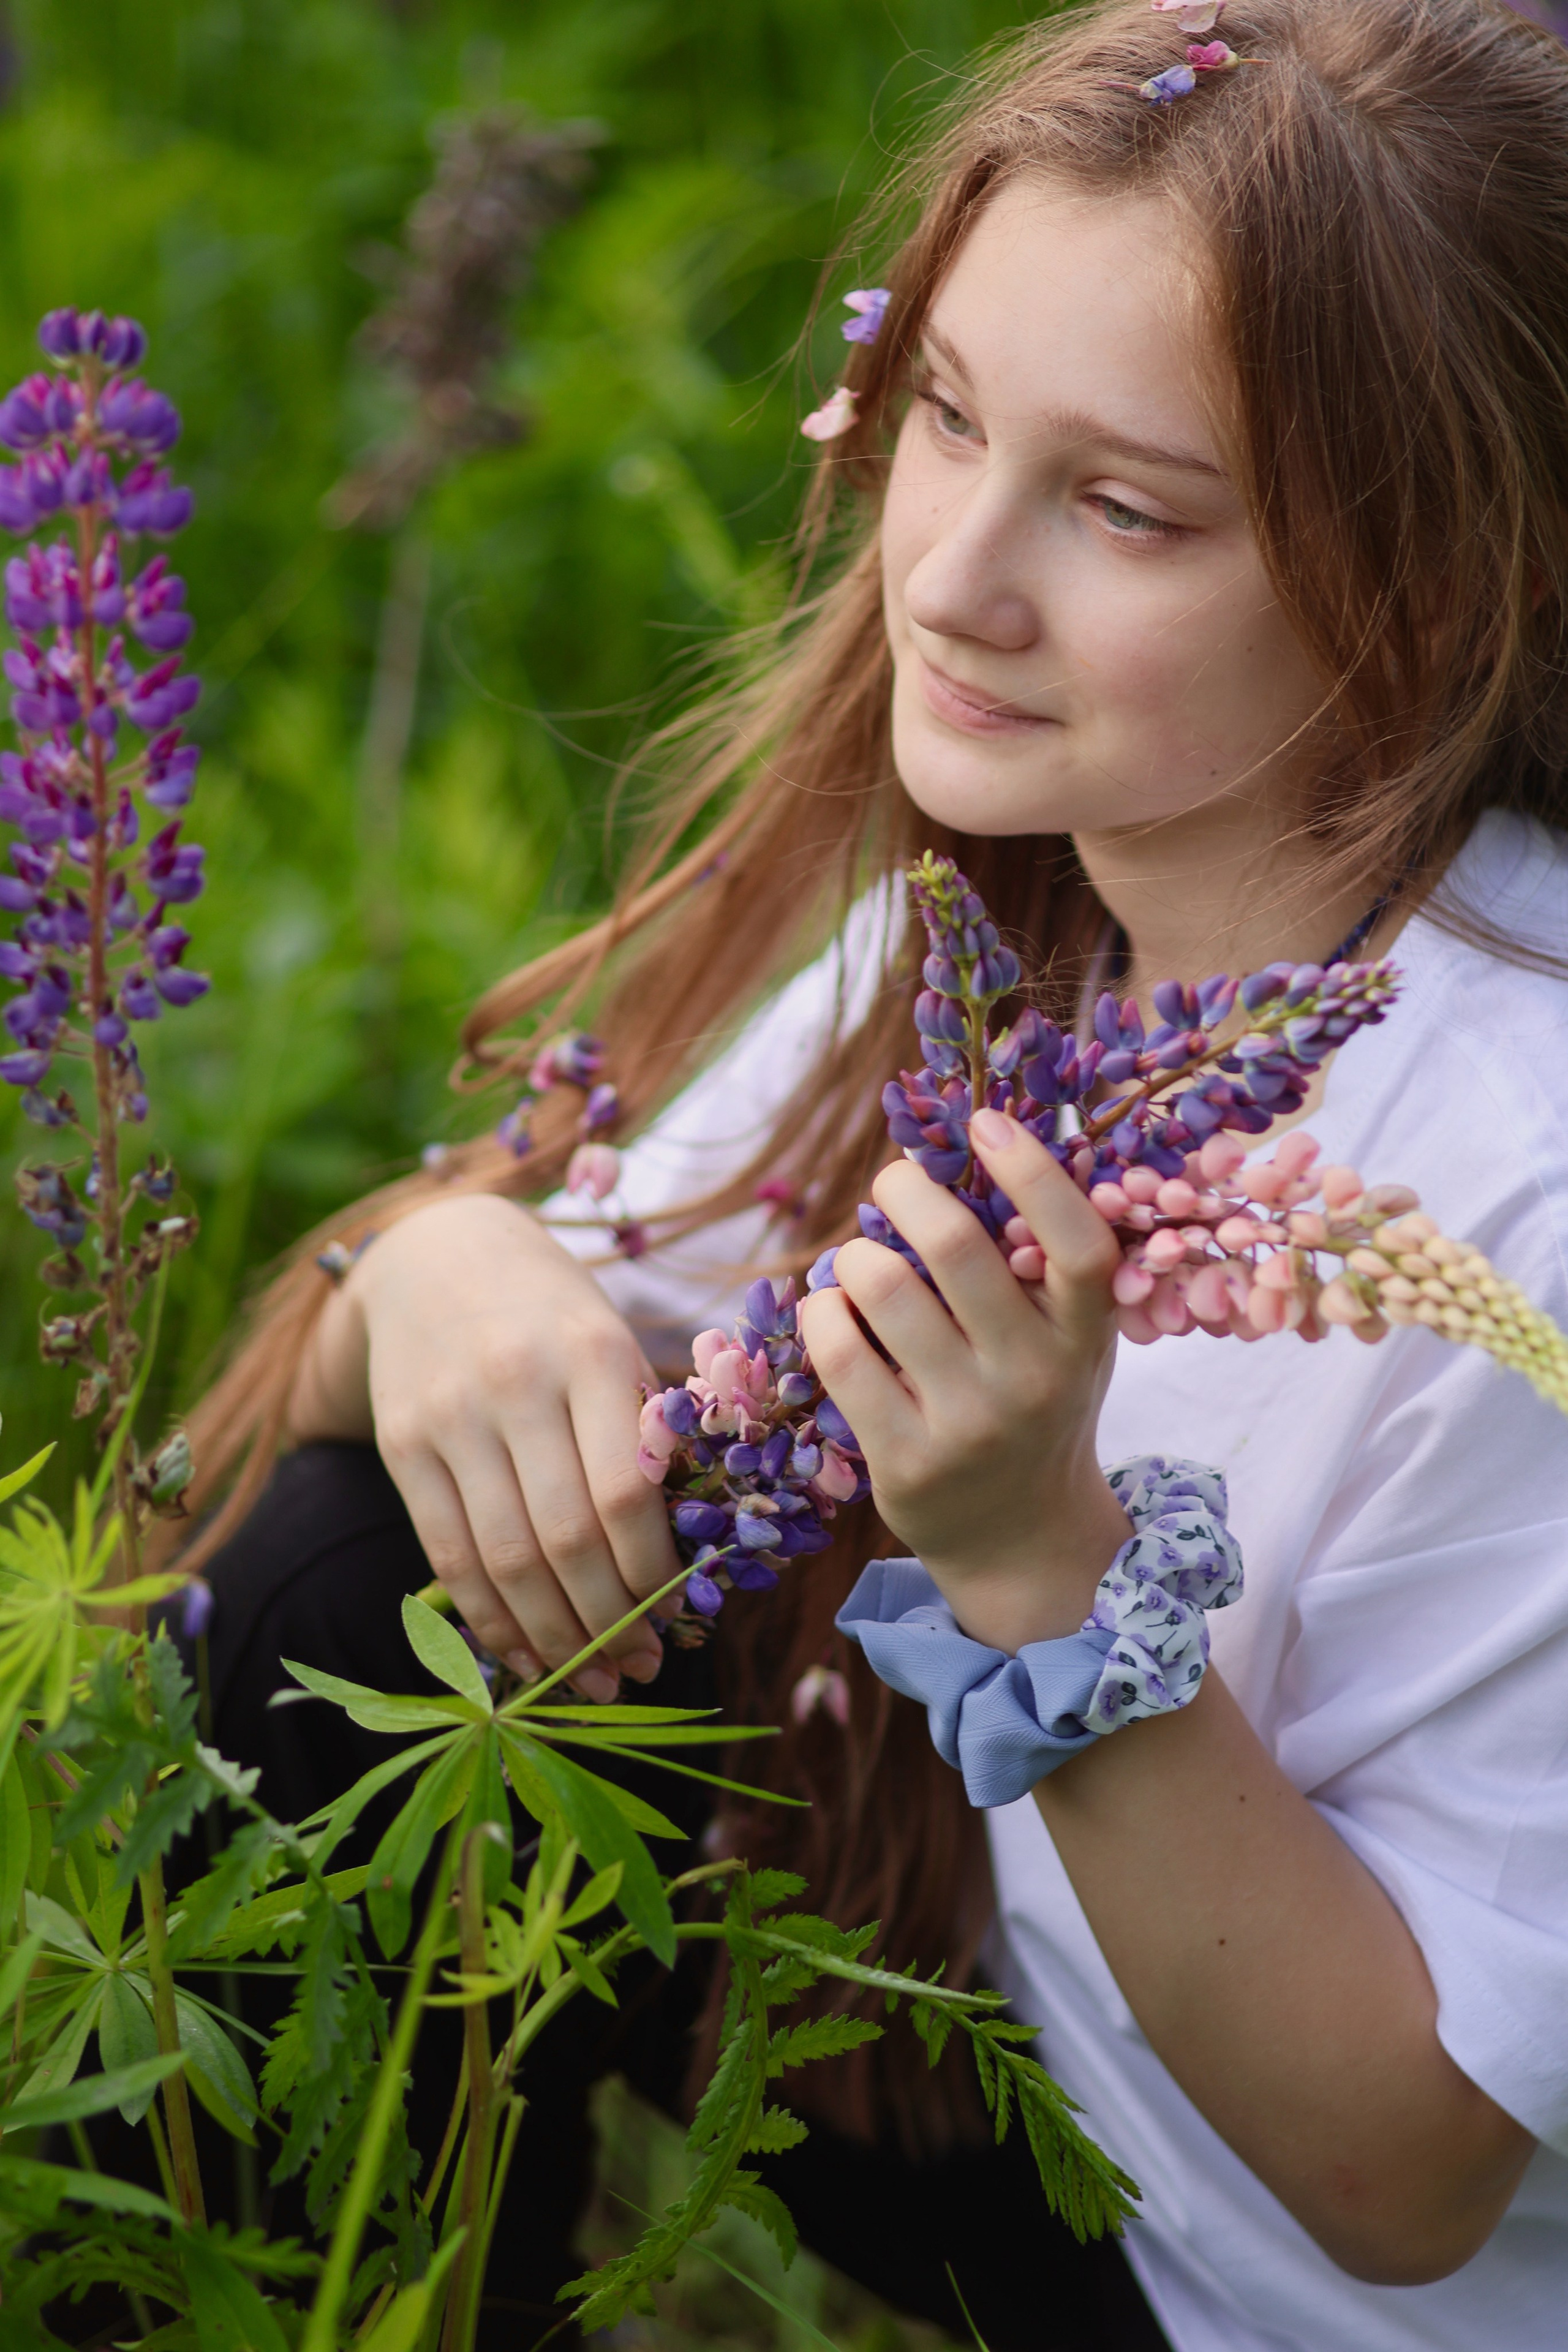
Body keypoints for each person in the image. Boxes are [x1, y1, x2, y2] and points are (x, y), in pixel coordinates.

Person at [177, 1, 1568, 2343]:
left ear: (1440, 586)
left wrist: (1044, 1563)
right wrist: (447, 1265)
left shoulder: (1513, 1183)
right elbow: (509, 1331)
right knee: (351, 1570)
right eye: (944, 418)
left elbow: (1404, 2175)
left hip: (1235, 2280)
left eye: (1123, 507)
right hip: (987, 2028)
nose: (948, 576)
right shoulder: (1039, 903)